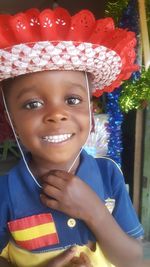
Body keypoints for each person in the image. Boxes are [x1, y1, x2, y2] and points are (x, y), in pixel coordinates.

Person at [0, 6, 144, 267]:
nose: (57, 114)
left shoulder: (109, 175)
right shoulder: (5, 191)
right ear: (11, 121)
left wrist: (94, 212)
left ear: (90, 114)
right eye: (32, 104)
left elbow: (137, 260)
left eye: (72, 99)